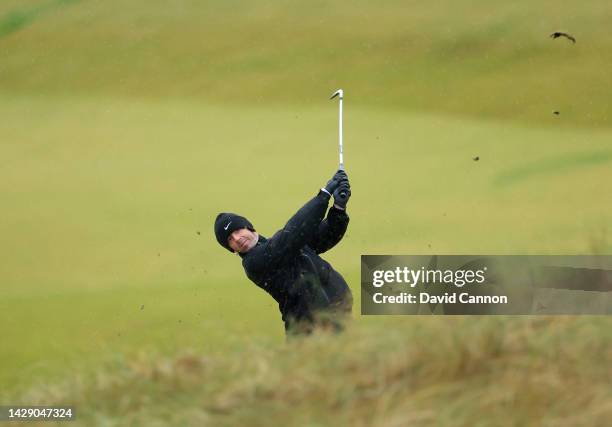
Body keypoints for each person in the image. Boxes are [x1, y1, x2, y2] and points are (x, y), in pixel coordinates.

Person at [213, 170, 353, 336]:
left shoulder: (284, 248)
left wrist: (338, 208)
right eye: (230, 239)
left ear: (248, 227)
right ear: (232, 250)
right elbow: (292, 234)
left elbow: (326, 236)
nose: (236, 238)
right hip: (308, 333)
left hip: (335, 321)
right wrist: (324, 195)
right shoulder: (255, 263)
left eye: (237, 230)